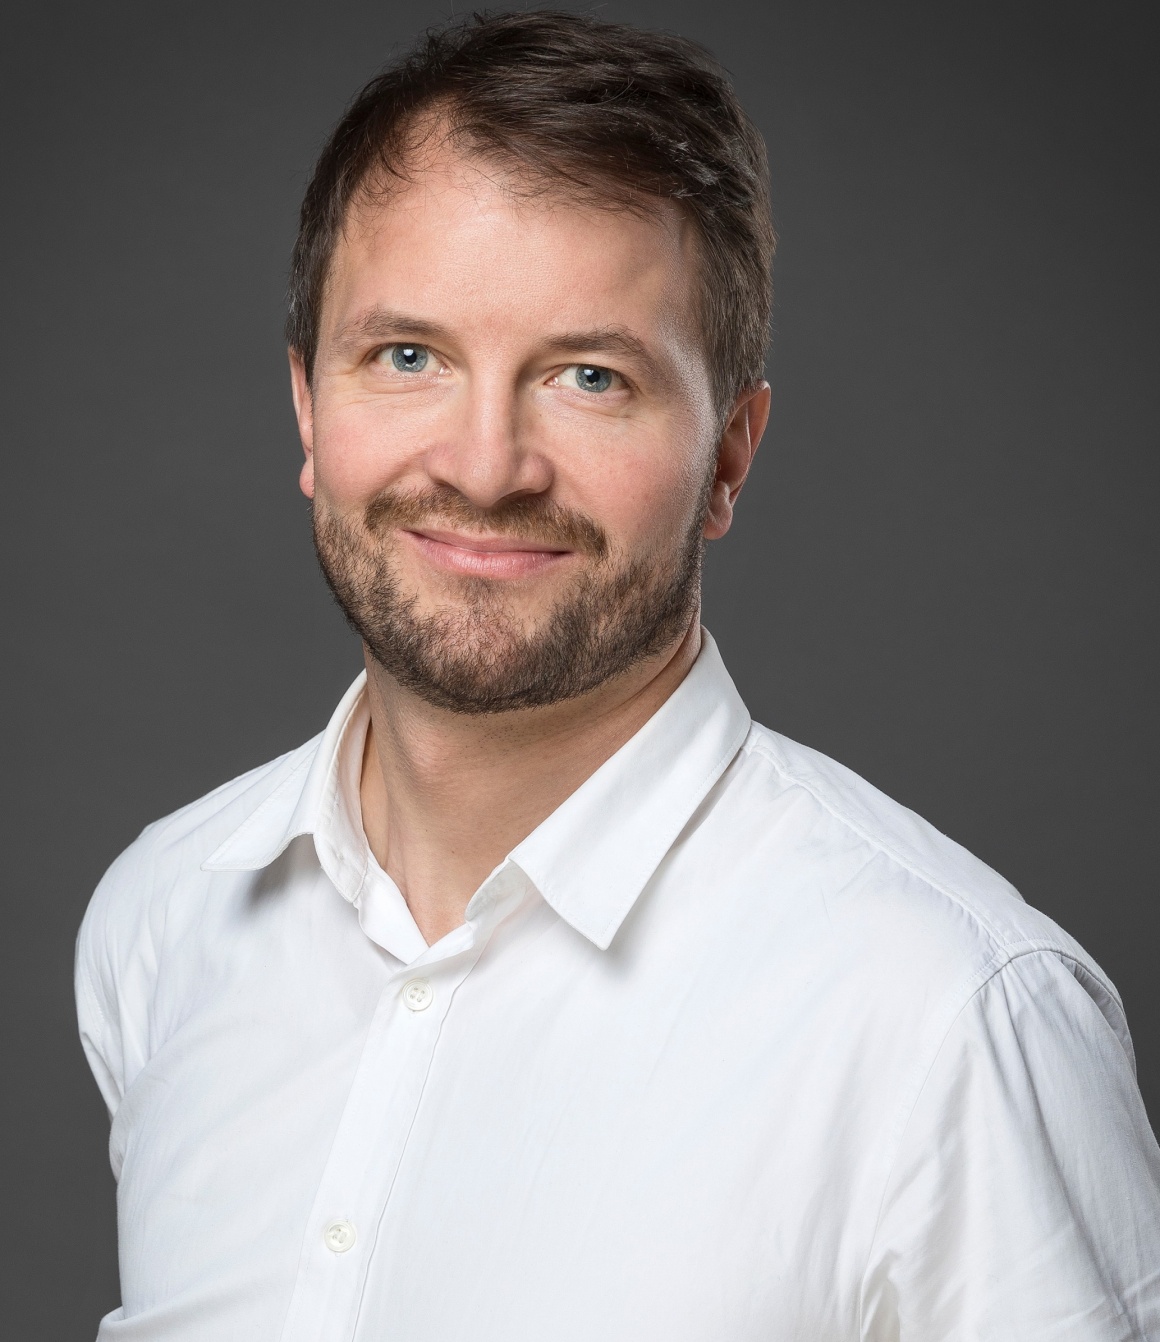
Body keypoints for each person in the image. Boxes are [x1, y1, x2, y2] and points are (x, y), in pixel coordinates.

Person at [75, 11, 1160, 1341]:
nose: (483, 465)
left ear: (730, 458)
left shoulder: (950, 1025)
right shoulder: (164, 925)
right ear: (308, 406)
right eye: (407, 357)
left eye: (590, 377)